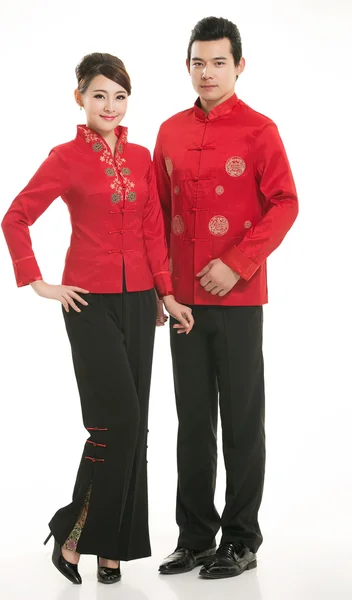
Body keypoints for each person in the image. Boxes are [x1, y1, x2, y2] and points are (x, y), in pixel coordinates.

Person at [1, 52, 194, 586]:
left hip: (139, 303)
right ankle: (71, 530)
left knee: (137, 429)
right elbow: (16, 216)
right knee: (117, 423)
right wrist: (39, 282)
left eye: (120, 96)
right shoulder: (64, 158)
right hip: (87, 302)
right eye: (100, 94)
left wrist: (166, 293)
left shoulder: (140, 156)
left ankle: (113, 549)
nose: (110, 105)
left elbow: (154, 228)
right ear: (80, 98)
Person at [154, 17, 298, 579]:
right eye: (198, 61)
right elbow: (155, 218)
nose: (207, 71)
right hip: (182, 306)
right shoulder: (168, 131)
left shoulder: (261, 130)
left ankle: (240, 539)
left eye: (218, 61)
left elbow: (286, 203)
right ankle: (193, 537)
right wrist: (161, 291)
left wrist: (236, 263)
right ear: (187, 65)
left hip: (238, 302)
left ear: (240, 65)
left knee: (240, 421)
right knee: (192, 422)